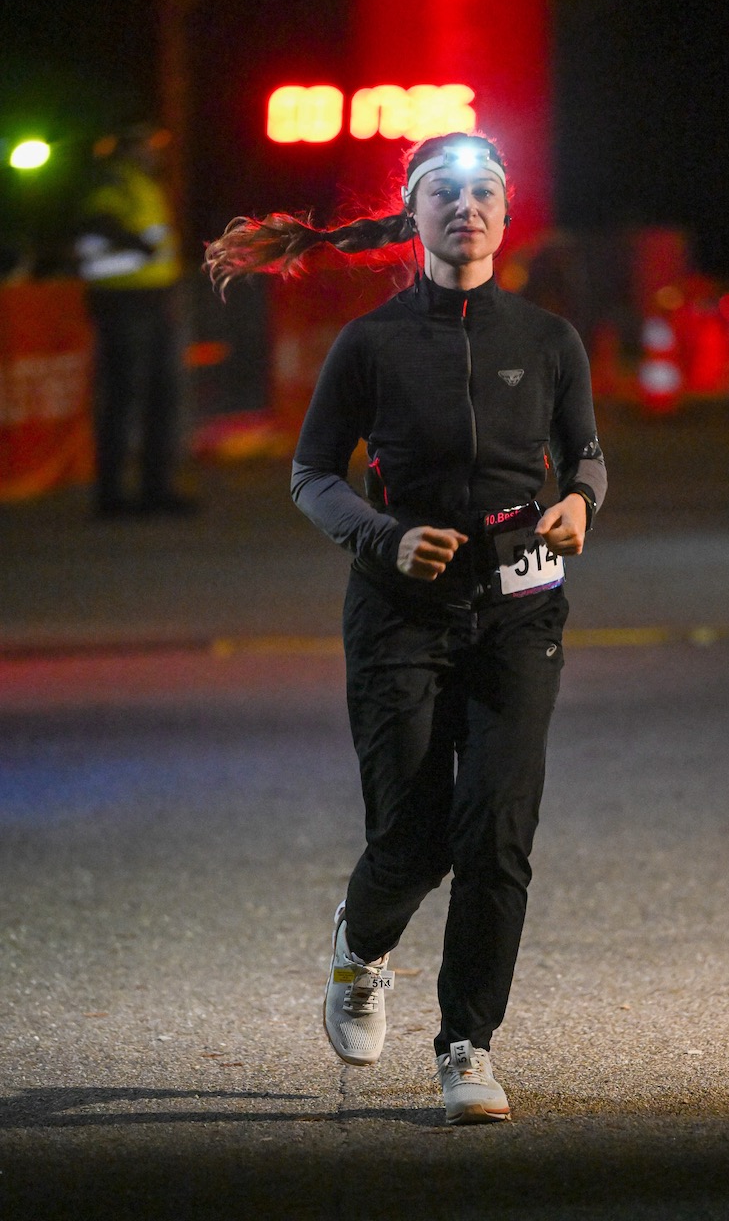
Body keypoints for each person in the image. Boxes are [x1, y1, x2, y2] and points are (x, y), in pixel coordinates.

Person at [205, 132, 607, 1124]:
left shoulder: (549, 339)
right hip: (399, 612)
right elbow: (311, 475)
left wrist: (581, 505)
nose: (465, 206)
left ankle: (467, 1043)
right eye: (444, 192)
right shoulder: (371, 343)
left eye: (482, 192)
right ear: (413, 214)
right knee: (414, 838)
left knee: (498, 833)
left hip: (521, 599)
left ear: (505, 215)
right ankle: (360, 943)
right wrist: (383, 538)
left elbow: (586, 457)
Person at [75, 122, 195, 517]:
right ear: (129, 147)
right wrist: (135, 243)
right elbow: (97, 221)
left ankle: (154, 490)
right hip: (122, 302)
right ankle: (112, 495)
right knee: (124, 399)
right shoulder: (117, 182)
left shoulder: (144, 185)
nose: (154, 151)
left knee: (160, 398)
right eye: (147, 143)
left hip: (151, 301)